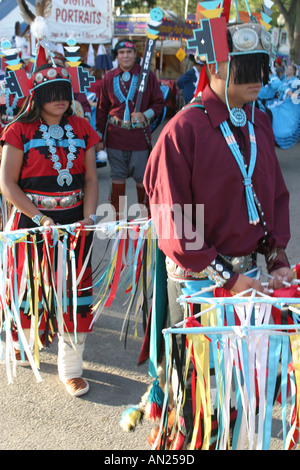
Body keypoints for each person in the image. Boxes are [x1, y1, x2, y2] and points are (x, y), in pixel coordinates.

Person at [143, 20, 294, 448]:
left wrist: (277, 257)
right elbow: (175, 221)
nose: (258, 81)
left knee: (242, 384)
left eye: (260, 68)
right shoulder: (182, 132)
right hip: (201, 285)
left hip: (247, 282)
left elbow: (273, 196)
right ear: (211, 68)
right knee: (199, 393)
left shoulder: (257, 123)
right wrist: (228, 277)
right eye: (245, 69)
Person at [0, 61, 100, 397]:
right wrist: (40, 217)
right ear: (37, 96)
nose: (60, 100)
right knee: (29, 287)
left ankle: (70, 368)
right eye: (51, 94)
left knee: (74, 293)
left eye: (65, 93)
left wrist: (87, 218)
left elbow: (89, 178)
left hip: (75, 226)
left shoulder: (82, 127)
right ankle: (23, 339)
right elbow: (7, 184)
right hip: (31, 224)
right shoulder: (18, 131)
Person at [95, 39, 165, 219]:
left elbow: (159, 103)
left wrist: (145, 115)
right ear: (116, 56)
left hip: (139, 138)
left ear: (135, 55)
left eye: (129, 52)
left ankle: (144, 219)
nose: (125, 56)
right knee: (117, 178)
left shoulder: (147, 76)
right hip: (115, 136)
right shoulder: (109, 78)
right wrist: (99, 139)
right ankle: (117, 219)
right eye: (121, 53)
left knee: (143, 180)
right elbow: (102, 110)